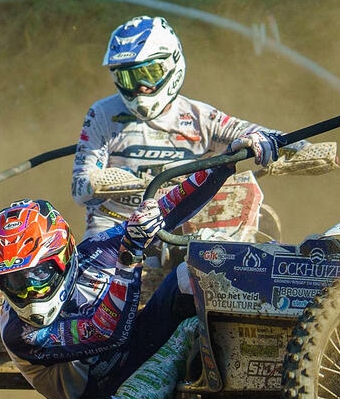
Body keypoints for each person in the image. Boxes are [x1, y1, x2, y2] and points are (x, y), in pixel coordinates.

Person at [0, 152, 274, 399]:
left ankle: (273, 340)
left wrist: (226, 162)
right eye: (14, 280)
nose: (29, 291)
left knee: (198, 270)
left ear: (63, 255)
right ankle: (188, 340)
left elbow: (167, 210)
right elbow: (105, 332)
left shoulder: (95, 253)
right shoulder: (19, 333)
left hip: (140, 345)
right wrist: (129, 260)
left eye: (38, 273)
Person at [72, 15, 283, 239]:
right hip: (115, 230)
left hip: (182, 227)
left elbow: (259, 133)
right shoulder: (102, 114)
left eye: (149, 74)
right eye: (128, 78)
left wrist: (292, 147)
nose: (140, 88)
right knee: (91, 259)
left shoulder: (200, 116)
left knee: (256, 230)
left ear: (172, 64)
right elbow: (79, 189)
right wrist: (100, 183)